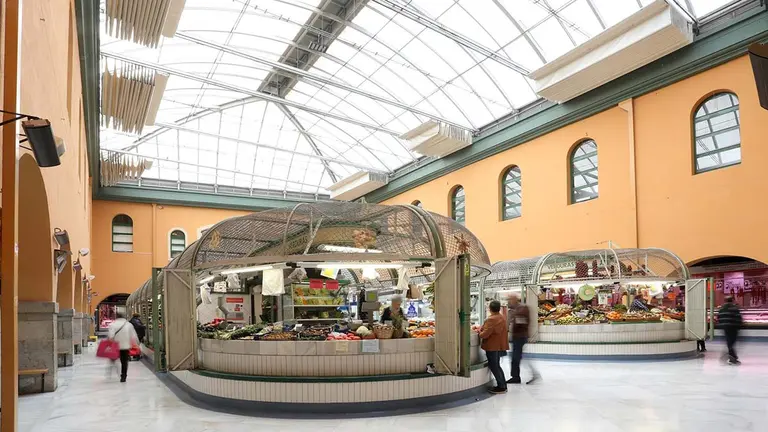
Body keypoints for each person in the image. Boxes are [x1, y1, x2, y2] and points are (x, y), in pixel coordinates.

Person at [507, 294, 539, 385]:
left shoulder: (522, 308)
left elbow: (521, 322)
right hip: (517, 336)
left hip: (520, 337)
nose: (509, 302)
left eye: (510, 300)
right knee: (518, 357)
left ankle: (517, 377)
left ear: (515, 300)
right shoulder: (517, 309)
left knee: (516, 357)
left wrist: (513, 317)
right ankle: (517, 376)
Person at [479, 300, 509, 394]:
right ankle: (503, 385)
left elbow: (484, 334)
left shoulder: (491, 319)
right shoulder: (501, 317)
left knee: (494, 366)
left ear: (489, 309)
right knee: (497, 366)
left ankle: (501, 386)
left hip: (492, 345)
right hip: (499, 345)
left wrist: (479, 332)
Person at [107, 312, 139, 382]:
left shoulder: (112, 324)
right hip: (125, 346)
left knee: (113, 359)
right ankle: (123, 376)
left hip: (115, 346)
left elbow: (111, 336)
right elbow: (133, 336)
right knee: (124, 362)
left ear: (116, 317)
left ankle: (110, 372)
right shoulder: (128, 325)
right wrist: (137, 344)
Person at [718, 297, 743, 365]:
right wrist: (739, 326)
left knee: (729, 343)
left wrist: (721, 325)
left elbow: (719, 318)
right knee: (731, 343)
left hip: (725, 328)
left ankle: (732, 357)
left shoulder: (722, 309)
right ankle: (731, 357)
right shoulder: (734, 308)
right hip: (733, 327)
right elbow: (738, 318)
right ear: (732, 300)